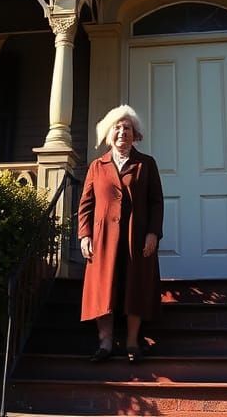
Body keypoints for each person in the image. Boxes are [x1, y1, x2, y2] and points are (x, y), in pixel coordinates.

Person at [77, 104, 163, 362]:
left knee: (135, 286)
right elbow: (86, 204)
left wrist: (153, 233)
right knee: (104, 288)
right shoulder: (97, 166)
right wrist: (84, 235)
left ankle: (132, 342)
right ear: (108, 133)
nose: (122, 132)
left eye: (127, 127)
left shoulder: (146, 164)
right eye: (117, 127)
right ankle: (104, 344)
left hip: (135, 238)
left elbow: (156, 201)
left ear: (135, 134)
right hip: (103, 239)